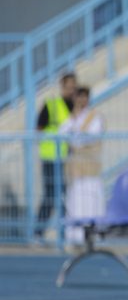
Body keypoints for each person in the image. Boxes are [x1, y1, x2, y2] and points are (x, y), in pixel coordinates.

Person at [59, 87, 106, 246]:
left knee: (91, 198)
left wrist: (75, 135)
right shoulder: (72, 117)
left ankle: (93, 233)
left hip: (90, 166)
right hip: (76, 168)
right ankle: (75, 235)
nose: (81, 101)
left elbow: (89, 137)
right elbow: (63, 131)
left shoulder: (95, 116)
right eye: (79, 97)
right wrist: (74, 120)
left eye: (84, 97)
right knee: (76, 199)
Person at [35, 73, 77, 238]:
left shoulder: (75, 106)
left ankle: (65, 232)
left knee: (64, 194)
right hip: (50, 157)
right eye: (68, 87)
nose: (71, 90)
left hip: (65, 158)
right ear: (62, 86)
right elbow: (39, 129)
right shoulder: (51, 104)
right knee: (50, 195)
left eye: (74, 87)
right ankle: (38, 232)